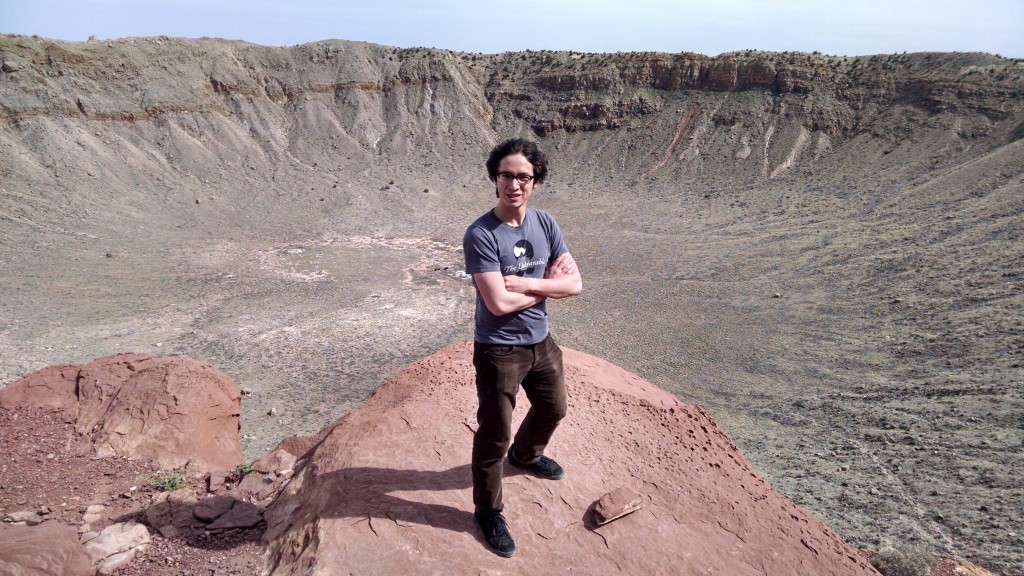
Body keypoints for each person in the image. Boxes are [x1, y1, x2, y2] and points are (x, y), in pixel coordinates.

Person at [462, 138, 583, 557]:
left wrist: (528, 284)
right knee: (494, 435)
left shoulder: (546, 224)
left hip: (540, 341)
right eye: (506, 175)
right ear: (495, 179)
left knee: (555, 407)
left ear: (535, 182)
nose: (514, 184)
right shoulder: (480, 234)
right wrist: (550, 288)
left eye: (523, 176)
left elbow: (576, 284)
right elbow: (497, 303)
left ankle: (527, 456)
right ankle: (488, 512)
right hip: (499, 349)